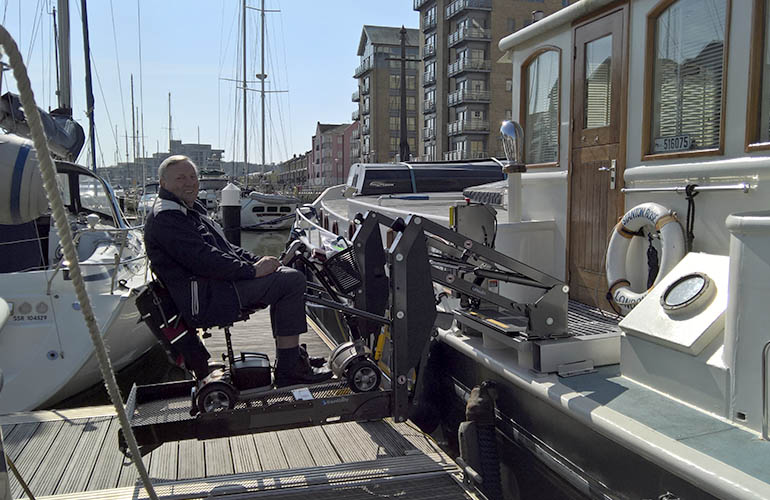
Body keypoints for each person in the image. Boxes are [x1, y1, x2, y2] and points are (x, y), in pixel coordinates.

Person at [144, 155, 332, 387]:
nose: (189, 182)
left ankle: (289, 359)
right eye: (180, 178)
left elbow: (224, 247)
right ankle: (289, 368)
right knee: (291, 282)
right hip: (206, 297)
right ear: (163, 184)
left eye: (192, 177)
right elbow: (204, 260)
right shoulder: (167, 217)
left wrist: (259, 260)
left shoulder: (185, 209)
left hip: (212, 288)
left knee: (283, 276)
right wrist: (252, 271)